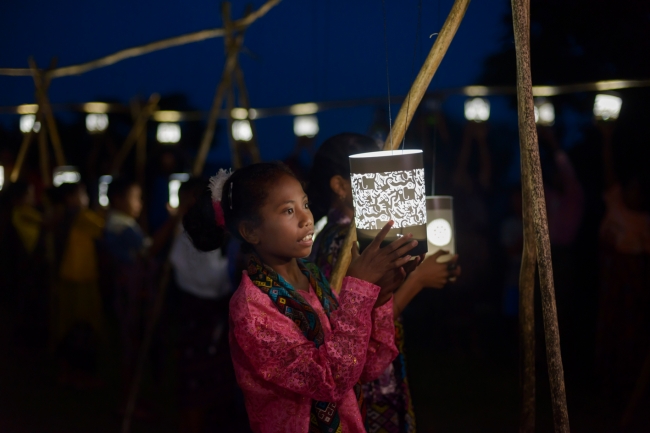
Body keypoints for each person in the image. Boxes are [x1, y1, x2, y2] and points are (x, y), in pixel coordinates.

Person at [183, 162, 424, 433]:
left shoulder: (313, 279)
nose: (306, 218)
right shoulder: (251, 308)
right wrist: (358, 290)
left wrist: (379, 300)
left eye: (305, 204)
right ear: (251, 231)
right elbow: (329, 380)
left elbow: (362, 368)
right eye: (288, 210)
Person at [307, 133, 461, 433]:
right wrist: (418, 280)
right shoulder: (343, 241)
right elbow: (352, 322)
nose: (385, 184)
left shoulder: (361, 236)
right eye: (372, 176)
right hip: (364, 376)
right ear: (340, 186)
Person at [103, 177, 184, 415]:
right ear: (118, 200)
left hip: (128, 293)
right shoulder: (121, 226)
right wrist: (171, 221)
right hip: (129, 295)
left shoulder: (121, 222)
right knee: (131, 347)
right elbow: (149, 248)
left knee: (133, 347)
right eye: (135, 198)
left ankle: (133, 398)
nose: (139, 204)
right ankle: (128, 402)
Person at [170, 178, 237, 433]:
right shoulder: (193, 235)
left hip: (199, 315)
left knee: (203, 384)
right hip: (200, 315)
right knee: (197, 384)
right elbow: (209, 281)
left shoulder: (197, 231)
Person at [52, 182, 105, 389]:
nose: (85, 198)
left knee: (66, 325)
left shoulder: (61, 215)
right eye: (81, 194)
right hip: (81, 279)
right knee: (84, 326)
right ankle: (81, 374)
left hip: (66, 277)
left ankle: (67, 371)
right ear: (70, 198)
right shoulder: (82, 216)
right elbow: (103, 229)